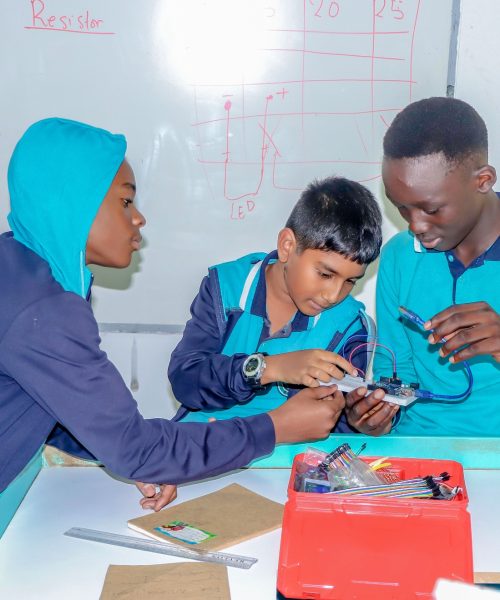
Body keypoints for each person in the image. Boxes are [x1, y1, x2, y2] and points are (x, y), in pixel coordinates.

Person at [0, 118, 346, 536]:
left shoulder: (22, 270)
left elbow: (55, 408)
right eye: (126, 202)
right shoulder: (47, 310)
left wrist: (124, 454)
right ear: (74, 204)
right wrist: (275, 427)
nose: (139, 218)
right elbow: (145, 435)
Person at [168, 176, 397, 439]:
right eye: (325, 274)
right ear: (288, 246)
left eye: (350, 281)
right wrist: (268, 368)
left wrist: (361, 420)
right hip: (201, 444)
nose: (333, 295)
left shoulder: (350, 326)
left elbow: (334, 427)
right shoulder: (226, 288)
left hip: (283, 462)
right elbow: (185, 381)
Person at [350, 97, 500, 436]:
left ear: (483, 181)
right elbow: (398, 374)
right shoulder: (400, 256)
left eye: (430, 209)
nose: (415, 225)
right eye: (401, 208)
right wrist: (376, 418)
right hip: (417, 451)